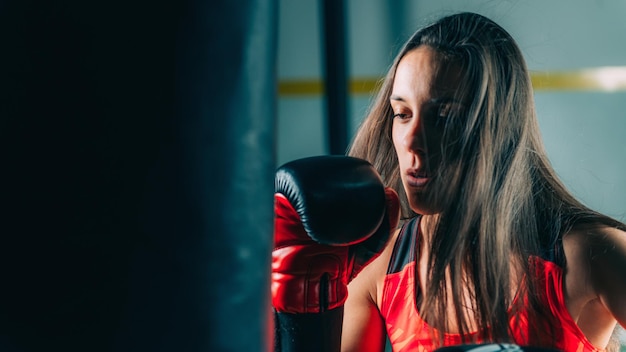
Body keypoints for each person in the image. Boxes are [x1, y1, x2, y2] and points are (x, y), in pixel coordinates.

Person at [339, 12, 626, 352]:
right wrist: (301, 315)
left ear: (497, 128)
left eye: (443, 117)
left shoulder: (588, 255)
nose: (412, 141)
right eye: (402, 114)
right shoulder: (380, 265)